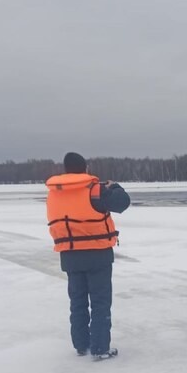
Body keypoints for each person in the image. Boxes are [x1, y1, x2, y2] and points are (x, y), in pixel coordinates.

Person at [46, 152, 131, 361]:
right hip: (98, 255)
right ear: (85, 168)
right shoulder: (95, 190)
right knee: (100, 302)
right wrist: (115, 187)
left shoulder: (55, 193)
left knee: (77, 302)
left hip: (70, 254)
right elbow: (122, 203)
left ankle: (81, 345)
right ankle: (100, 347)